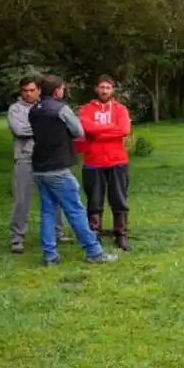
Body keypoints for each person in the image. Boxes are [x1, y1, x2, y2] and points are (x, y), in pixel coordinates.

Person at [28, 74, 118, 265]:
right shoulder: (61, 109)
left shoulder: (34, 109)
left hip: (39, 168)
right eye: (62, 87)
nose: (63, 90)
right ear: (57, 89)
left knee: (48, 211)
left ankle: (50, 256)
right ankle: (94, 252)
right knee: (76, 210)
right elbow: (78, 131)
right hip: (58, 168)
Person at [7, 76, 71, 254]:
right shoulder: (16, 109)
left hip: (47, 157)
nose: (28, 94)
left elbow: (64, 126)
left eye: (32, 90)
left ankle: (58, 232)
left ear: (39, 90)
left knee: (54, 197)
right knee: (21, 199)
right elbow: (19, 130)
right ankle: (17, 237)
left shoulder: (47, 106)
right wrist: (47, 127)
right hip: (25, 158)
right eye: (25, 91)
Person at [74, 75, 133, 251]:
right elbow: (86, 127)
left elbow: (125, 129)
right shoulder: (85, 110)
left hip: (117, 160)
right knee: (94, 200)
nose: (104, 90)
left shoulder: (120, 109)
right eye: (102, 87)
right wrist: (111, 130)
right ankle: (95, 234)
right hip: (94, 161)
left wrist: (97, 133)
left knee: (119, 199)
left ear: (112, 90)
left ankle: (121, 234)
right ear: (96, 89)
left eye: (108, 87)